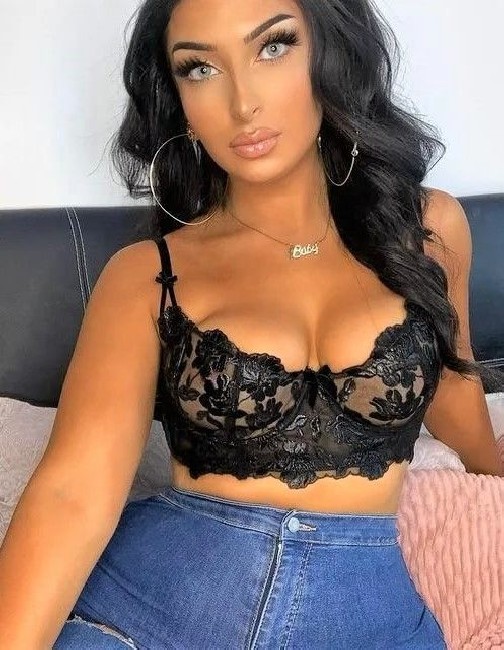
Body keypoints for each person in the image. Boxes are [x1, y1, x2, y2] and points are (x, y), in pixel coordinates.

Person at [1, 0, 503, 647]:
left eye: (273, 46)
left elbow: (454, 385)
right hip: (146, 614)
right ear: (177, 96)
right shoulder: (149, 274)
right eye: (200, 68)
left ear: (330, 51)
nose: (243, 103)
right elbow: (72, 493)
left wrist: (492, 470)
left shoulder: (429, 230)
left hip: (369, 619)